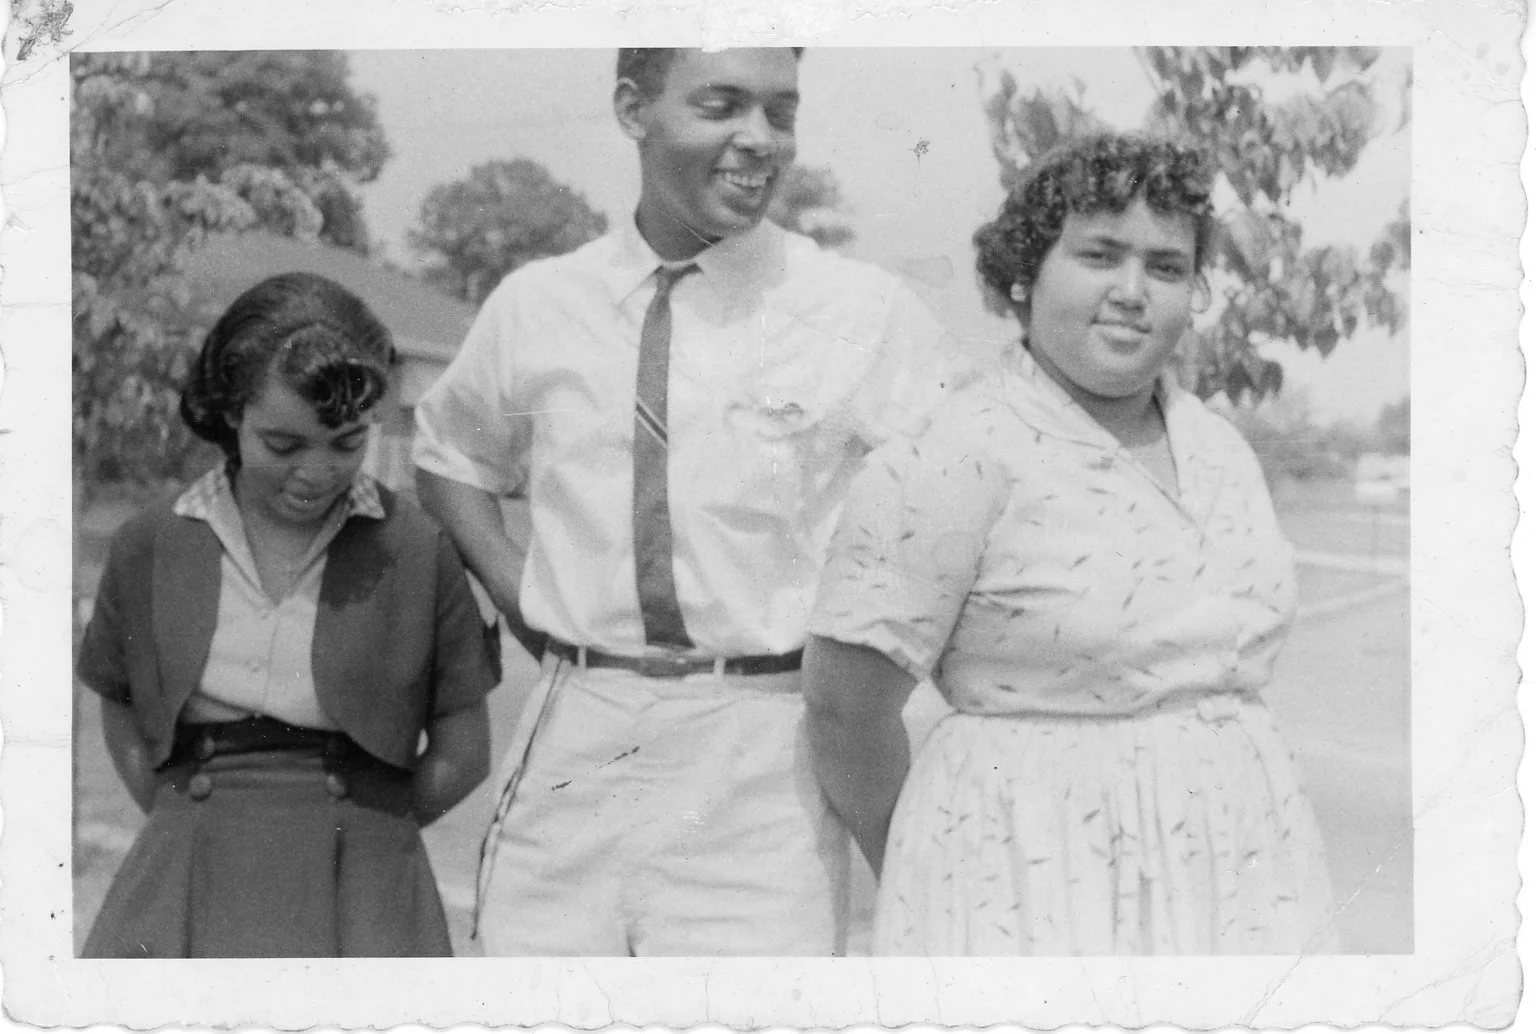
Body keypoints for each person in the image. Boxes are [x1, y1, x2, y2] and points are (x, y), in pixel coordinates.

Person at [412, 47, 962, 956]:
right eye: (722, 106)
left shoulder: (859, 311)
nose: (759, 139)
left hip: (760, 757)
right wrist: (520, 594)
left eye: (780, 112)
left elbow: (967, 493)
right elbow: (448, 455)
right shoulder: (540, 305)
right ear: (634, 109)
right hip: (576, 737)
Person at [804, 133, 1338, 955]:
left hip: (1240, 865)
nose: (1133, 291)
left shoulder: (1220, 449)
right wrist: (933, 871)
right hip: (1027, 875)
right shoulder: (954, 452)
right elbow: (845, 711)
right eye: (1099, 255)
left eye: (1166, 267)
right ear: (1025, 273)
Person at [76, 273, 497, 957]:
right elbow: (118, 703)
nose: (317, 472)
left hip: (363, 878)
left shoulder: (417, 550)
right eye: (283, 444)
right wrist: (179, 817)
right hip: (189, 864)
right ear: (231, 413)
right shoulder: (151, 542)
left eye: (347, 443)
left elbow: (465, 750)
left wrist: (375, 833)